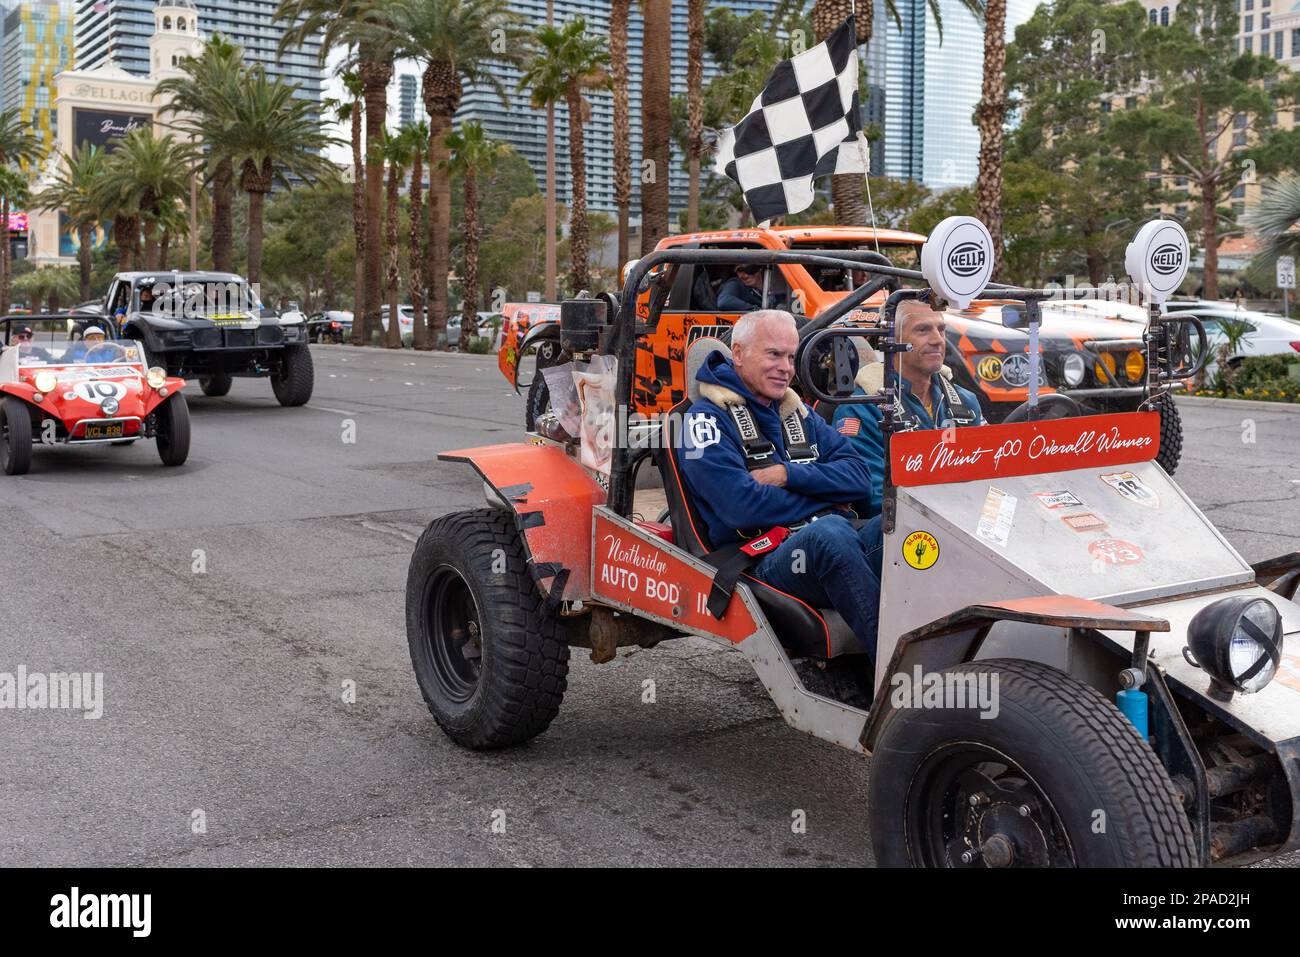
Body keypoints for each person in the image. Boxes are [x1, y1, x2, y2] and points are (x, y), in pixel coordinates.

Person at [678, 309, 882, 659]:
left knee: (902, 526)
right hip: (764, 559)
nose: (785, 368)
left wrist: (789, 475)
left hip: (830, 544)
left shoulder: (798, 413)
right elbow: (741, 507)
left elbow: (860, 480)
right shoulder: (705, 422)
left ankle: (957, 651)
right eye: (774, 354)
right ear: (738, 353)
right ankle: (900, 672)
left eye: (790, 357)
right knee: (830, 532)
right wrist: (827, 499)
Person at [831, 301, 985, 576]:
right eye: (923, 330)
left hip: (967, 527)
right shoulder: (862, 408)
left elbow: (990, 474)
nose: (938, 340)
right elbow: (873, 497)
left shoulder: (965, 401)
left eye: (941, 329)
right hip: (900, 536)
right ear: (892, 341)